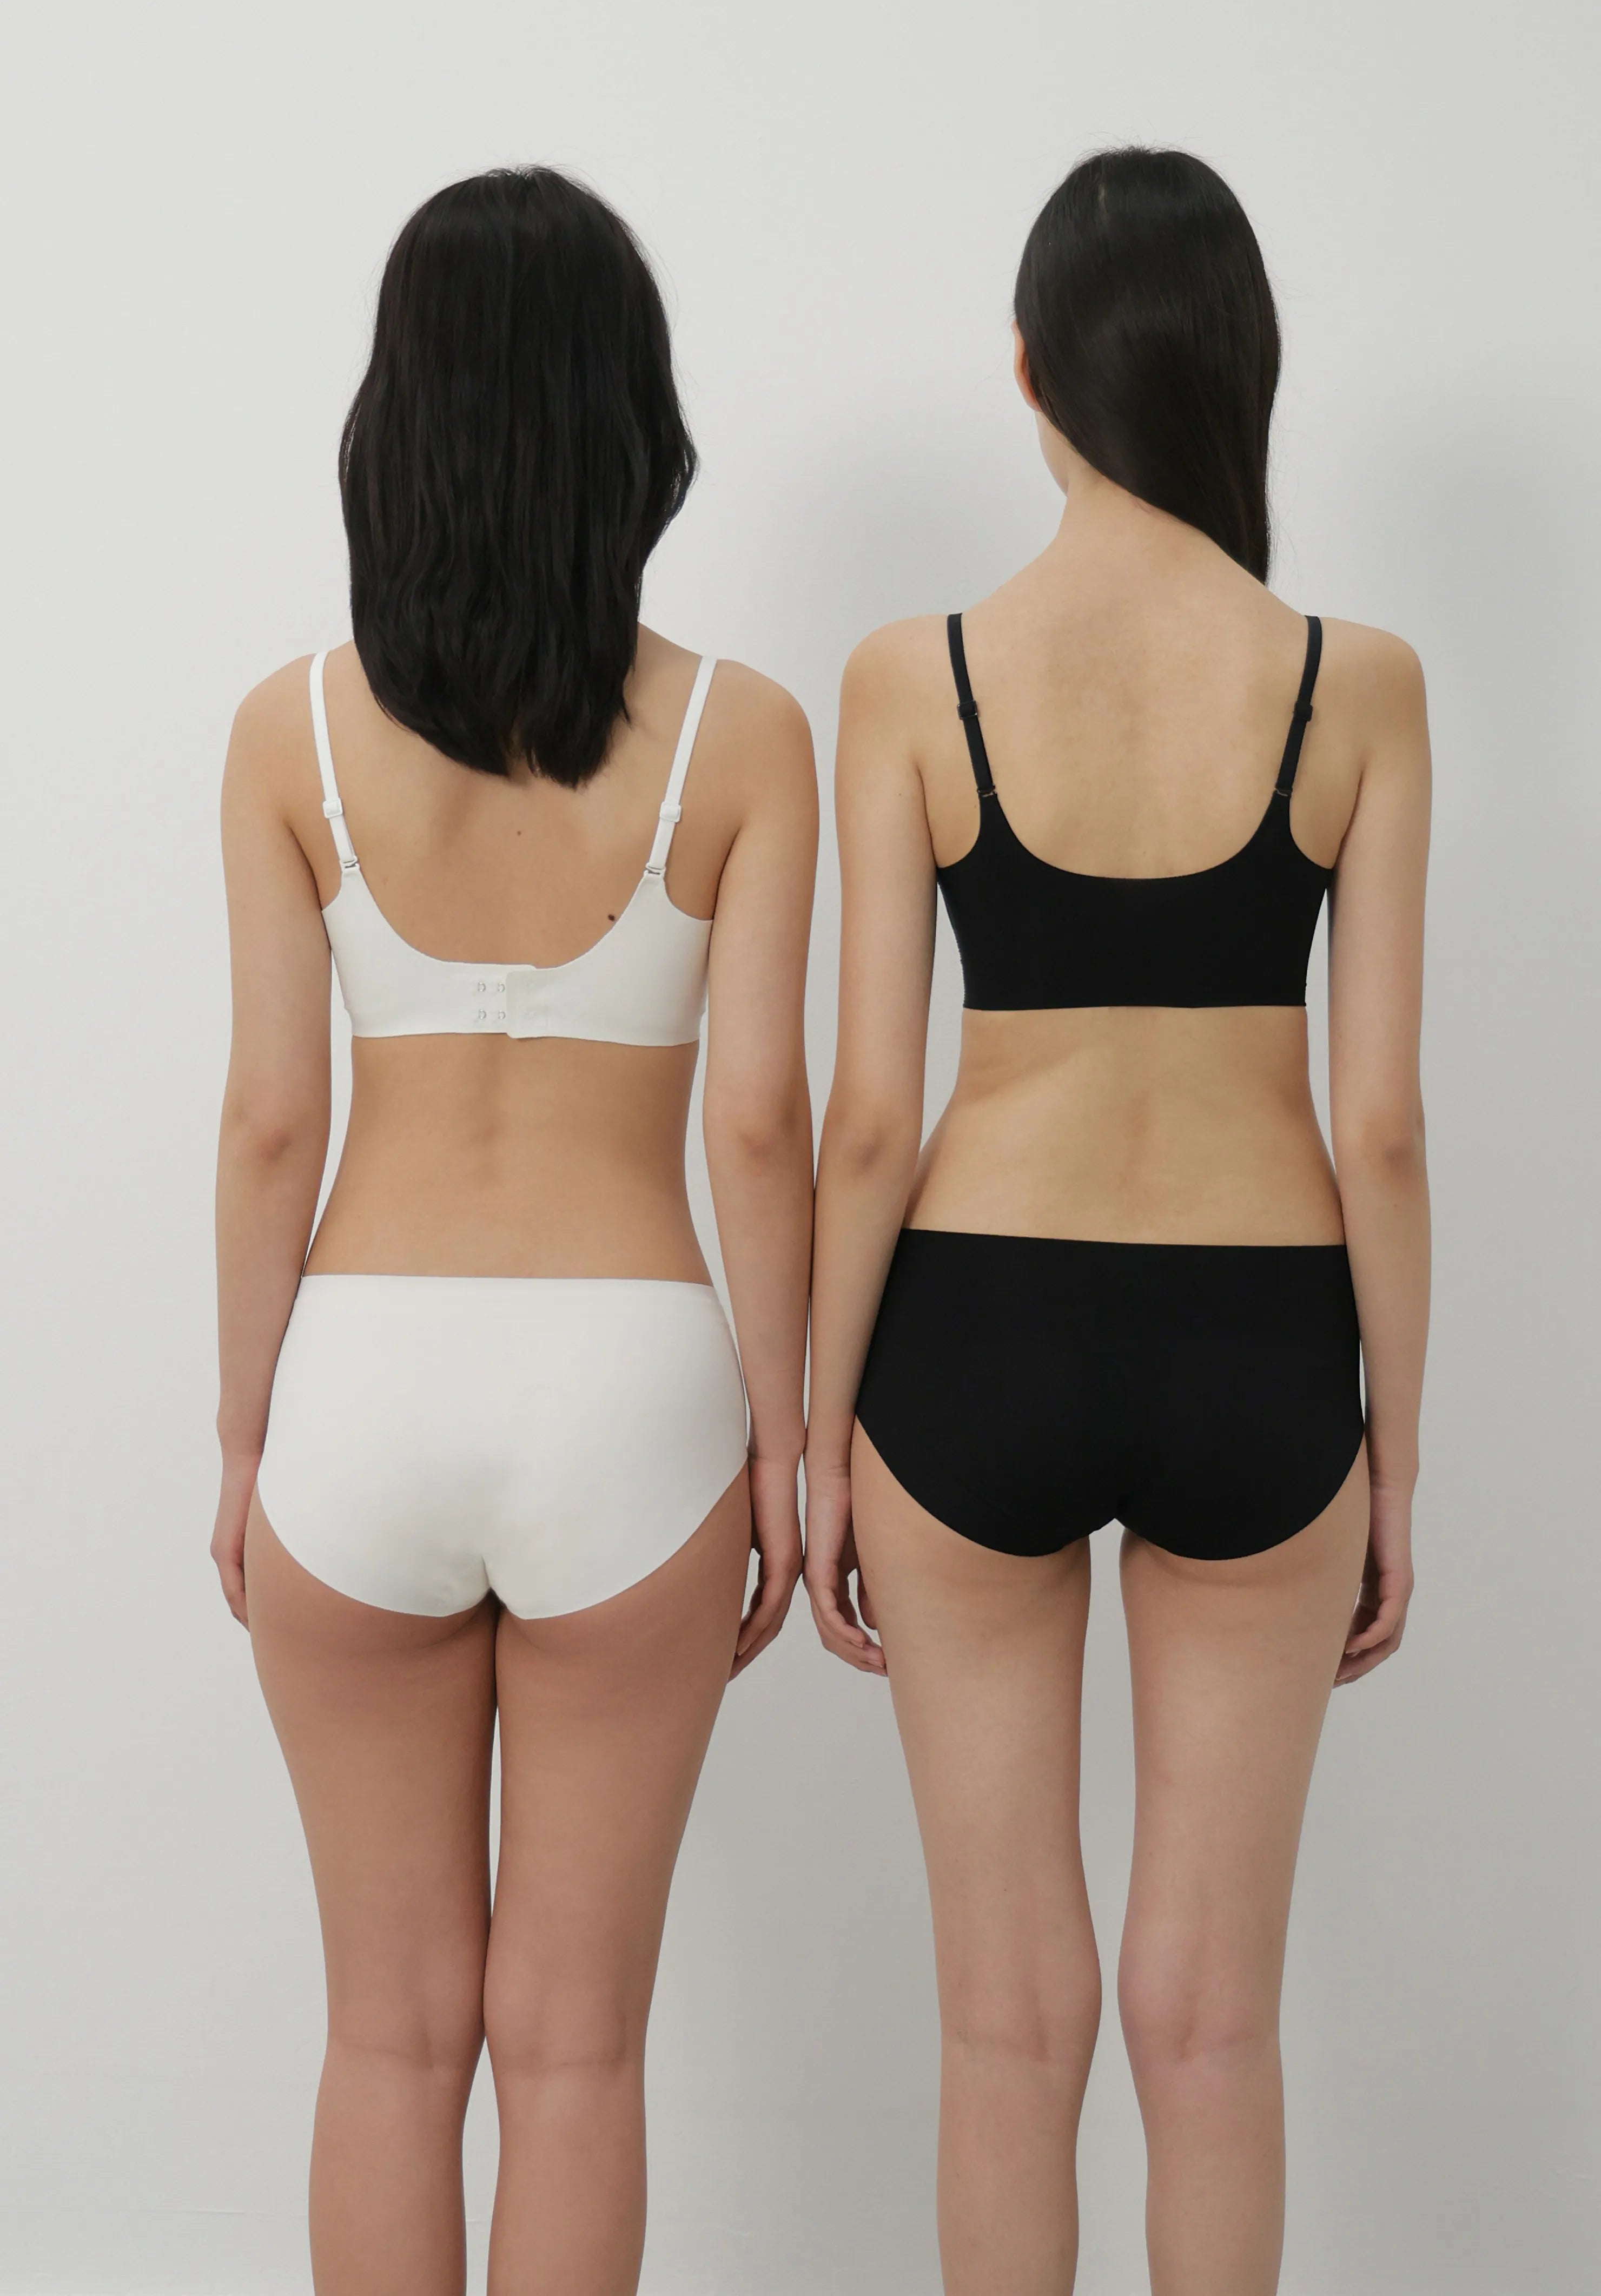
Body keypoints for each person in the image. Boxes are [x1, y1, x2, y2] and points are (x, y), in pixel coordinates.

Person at [805, 147, 1429, 2295]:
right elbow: (1380, 1128)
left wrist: (818, 1443)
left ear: (1029, 372)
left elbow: (865, 1120)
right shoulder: (1354, 681)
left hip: (973, 1337)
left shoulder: (914, 676)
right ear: (1241, 370)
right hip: (1263, 1348)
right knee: (1209, 2027)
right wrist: (1396, 1458)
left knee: (1006, 2025)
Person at [212, 167, 816, 2296]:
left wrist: (242, 1439)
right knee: (574, 2051)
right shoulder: (742, 736)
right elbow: (761, 1122)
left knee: (387, 2040)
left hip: (357, 1390)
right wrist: (789, 1441)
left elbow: (273, 1119)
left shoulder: (288, 733)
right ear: (629, 422)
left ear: (398, 419)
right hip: (631, 1396)